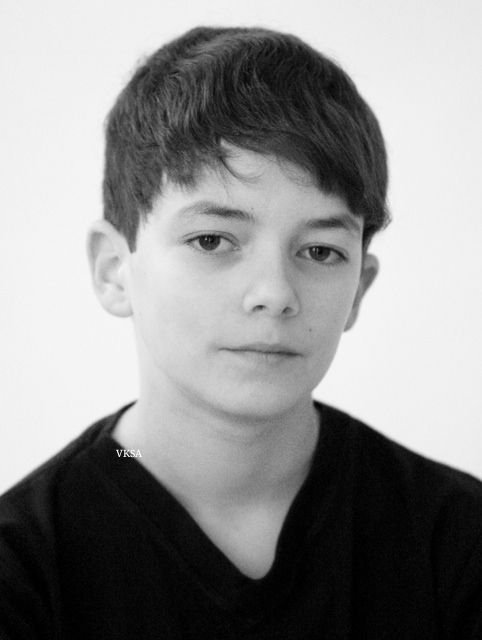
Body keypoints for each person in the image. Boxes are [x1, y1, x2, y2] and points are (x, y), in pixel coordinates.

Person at [0, 25, 481, 639]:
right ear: (114, 269)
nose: (275, 293)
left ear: (359, 288)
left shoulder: (458, 540)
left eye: (321, 251)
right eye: (212, 240)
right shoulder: (24, 571)